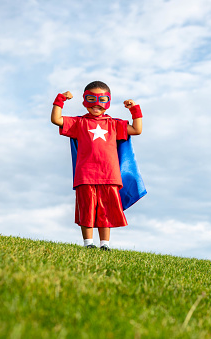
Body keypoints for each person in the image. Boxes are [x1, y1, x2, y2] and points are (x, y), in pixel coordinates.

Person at [51, 81, 143, 251]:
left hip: (109, 175)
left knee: (105, 211)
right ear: (85, 101)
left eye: (102, 99)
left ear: (108, 101)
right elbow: (56, 120)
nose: (96, 104)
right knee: (86, 209)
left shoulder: (114, 124)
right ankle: (88, 244)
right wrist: (60, 99)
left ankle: (105, 245)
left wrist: (135, 109)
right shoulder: (79, 123)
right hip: (85, 174)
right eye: (91, 99)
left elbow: (136, 129)